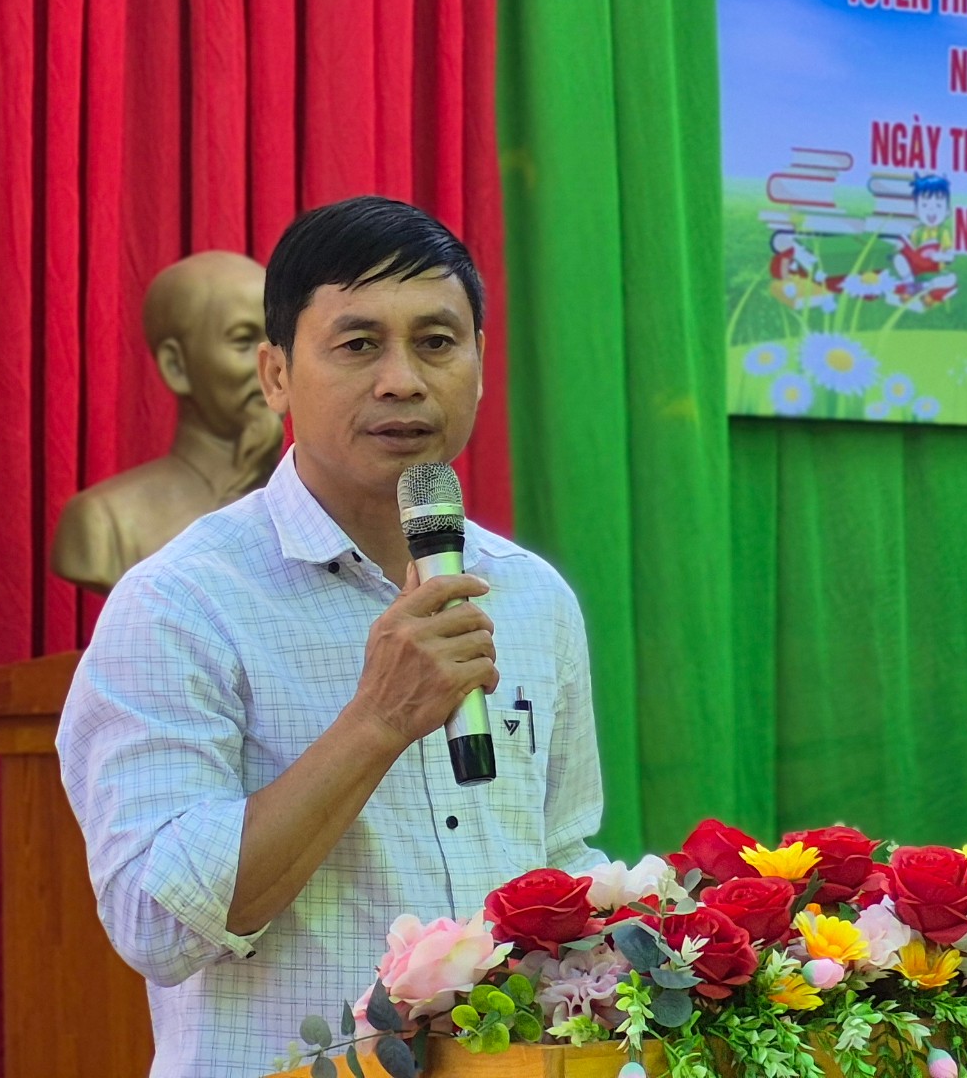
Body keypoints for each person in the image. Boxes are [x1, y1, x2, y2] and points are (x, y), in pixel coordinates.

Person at [58, 196, 607, 1078]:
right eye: (358, 345)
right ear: (276, 375)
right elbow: (155, 927)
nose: (403, 380)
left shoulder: (532, 595)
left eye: (437, 342)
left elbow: (559, 857)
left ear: (478, 364)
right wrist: (376, 722)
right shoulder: (181, 602)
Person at [52, 249, 285, 594]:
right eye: (242, 341)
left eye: (277, 339)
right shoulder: (105, 524)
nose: (273, 364)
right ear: (176, 366)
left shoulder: (325, 506)